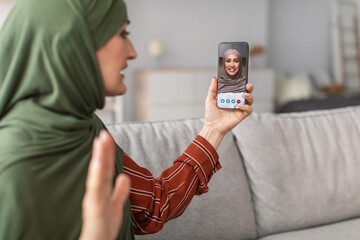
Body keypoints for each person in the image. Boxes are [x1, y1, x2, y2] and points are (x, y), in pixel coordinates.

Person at [0, 0, 254, 240]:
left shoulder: (87, 128)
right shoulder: (11, 165)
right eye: (123, 34)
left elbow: (155, 205)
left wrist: (213, 129)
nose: (132, 53)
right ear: (72, 42)